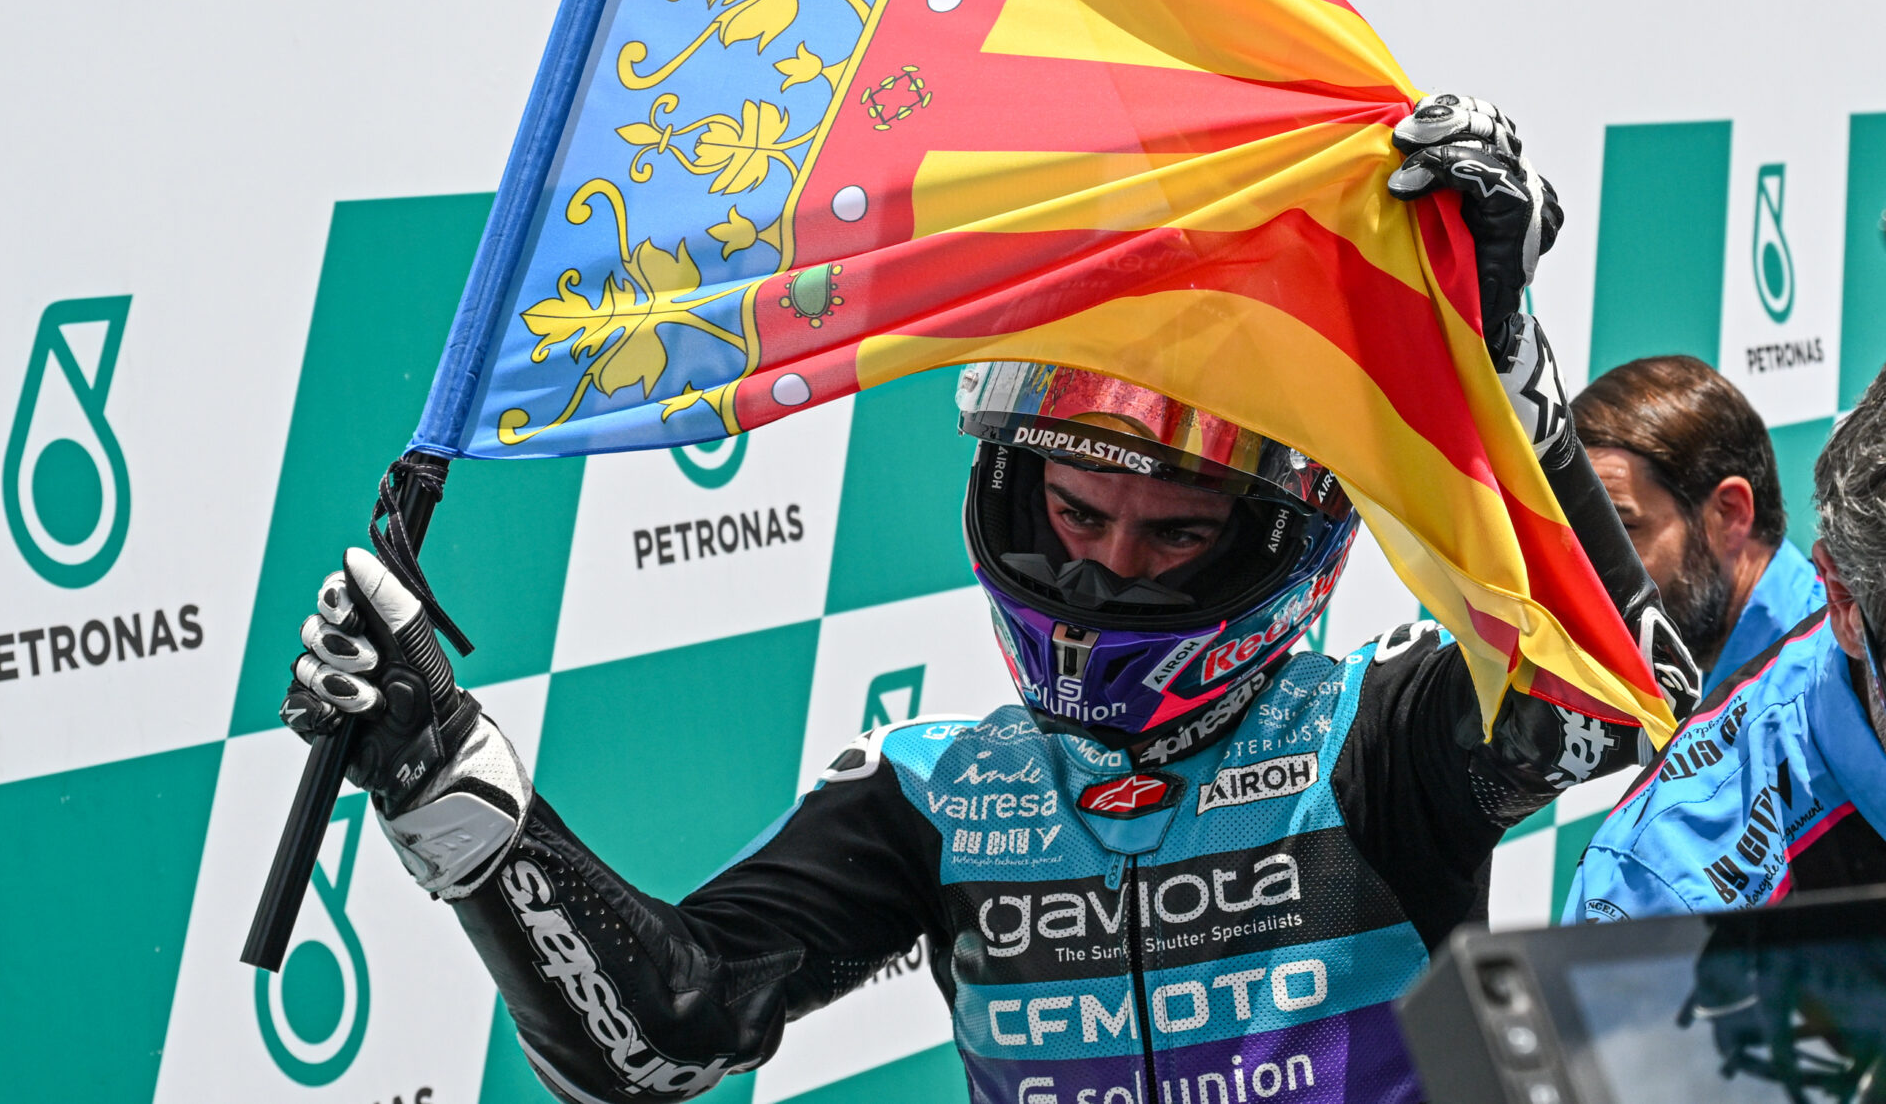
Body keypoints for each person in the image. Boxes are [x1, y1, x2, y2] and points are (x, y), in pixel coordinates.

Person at [282, 96, 1696, 1104]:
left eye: (1173, 532)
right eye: (1076, 513)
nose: (1106, 567)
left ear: (1279, 544)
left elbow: (1610, 702)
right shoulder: (941, 793)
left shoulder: (1376, 734)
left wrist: (1497, 361)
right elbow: (661, 1035)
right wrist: (445, 782)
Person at [1566, 365, 1886, 920]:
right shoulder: (1663, 876)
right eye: (1569, 541)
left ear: (1731, 513)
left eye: (1618, 532)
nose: (1581, 579)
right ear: (1842, 602)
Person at [1573, 355, 1825, 696]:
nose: (1586, 573)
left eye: (1620, 532)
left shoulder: (1849, 662)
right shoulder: (1689, 671)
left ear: (1729, 514)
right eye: (1577, 539)